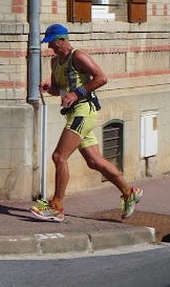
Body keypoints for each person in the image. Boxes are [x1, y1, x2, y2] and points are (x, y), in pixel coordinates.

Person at [30, 23, 143, 222]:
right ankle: (128, 191)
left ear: (62, 40)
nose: (50, 48)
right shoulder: (55, 62)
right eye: (48, 44)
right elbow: (58, 89)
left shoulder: (78, 56)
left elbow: (101, 78)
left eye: (52, 43)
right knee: (94, 162)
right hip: (73, 113)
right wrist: (49, 88)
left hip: (84, 112)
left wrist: (77, 93)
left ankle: (57, 206)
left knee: (59, 157)